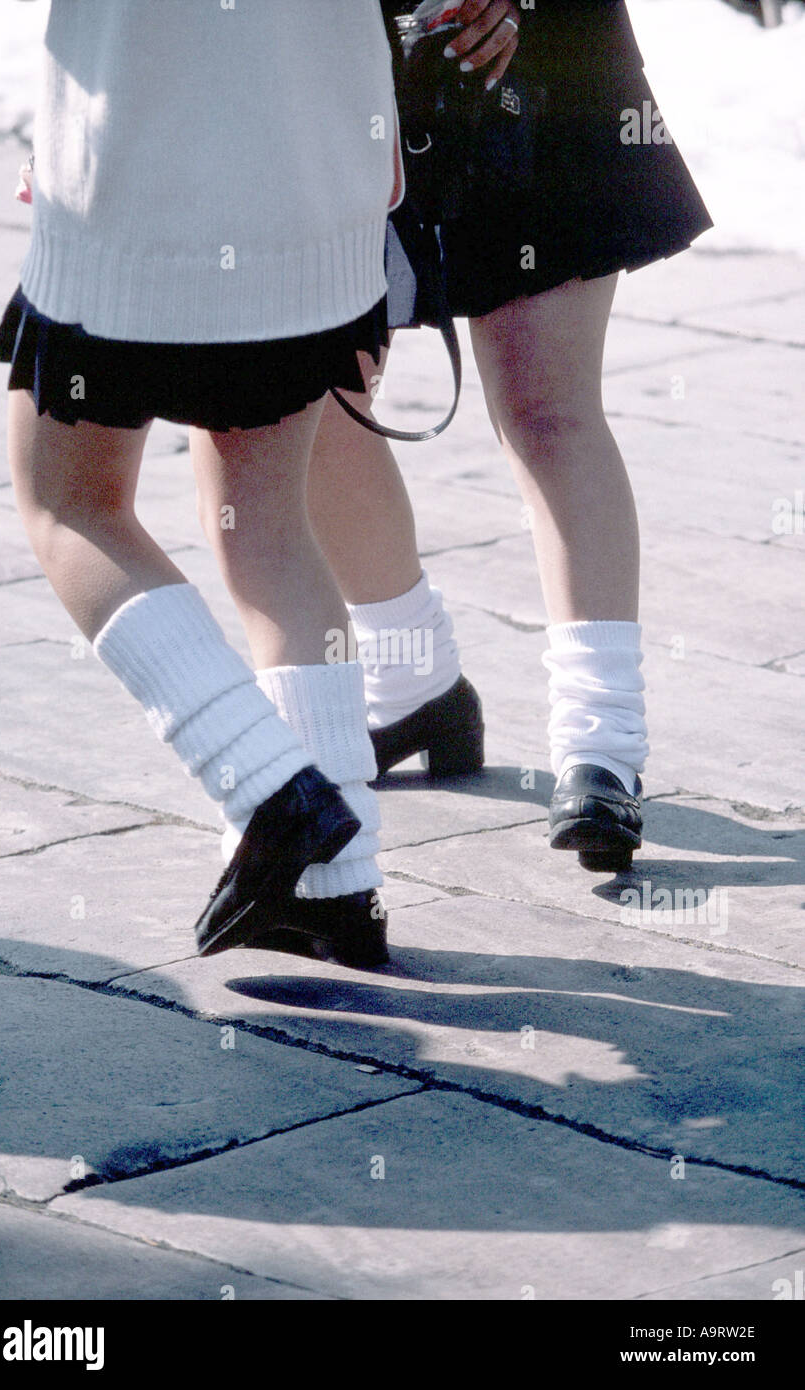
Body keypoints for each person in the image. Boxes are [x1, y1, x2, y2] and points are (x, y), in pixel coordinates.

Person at [0, 0, 404, 968]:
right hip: (320, 172)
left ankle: (270, 789)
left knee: (67, 503)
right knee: (272, 526)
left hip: (136, 169)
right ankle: (336, 890)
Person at [298, 0, 713, 874]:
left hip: (542, 44)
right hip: (338, 47)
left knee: (547, 409)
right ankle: (414, 684)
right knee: (310, 403)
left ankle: (601, 749)